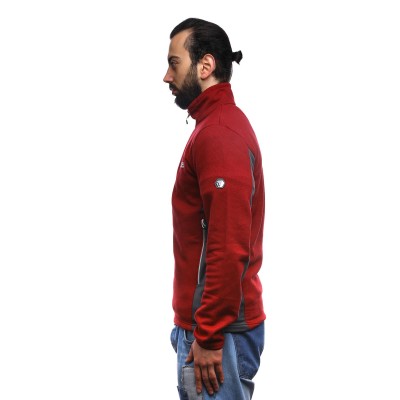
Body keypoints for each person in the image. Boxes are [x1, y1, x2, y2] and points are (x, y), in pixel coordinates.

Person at [164, 17, 266, 400]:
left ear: (205, 65)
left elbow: (227, 243)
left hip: (218, 334)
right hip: (211, 327)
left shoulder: (219, 133)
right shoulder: (212, 127)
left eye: (174, 63)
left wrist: (207, 335)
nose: (167, 76)